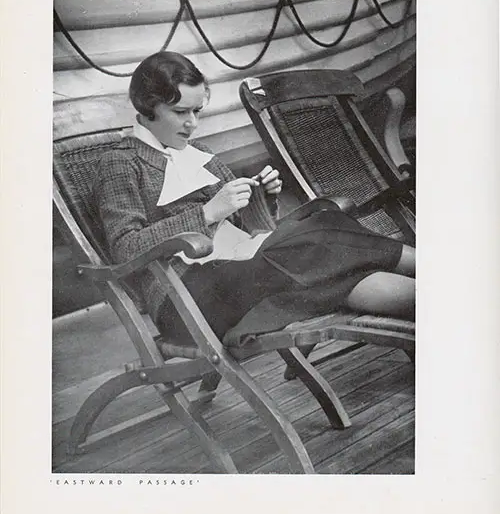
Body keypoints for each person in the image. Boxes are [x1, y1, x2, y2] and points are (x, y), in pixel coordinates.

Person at [94, 51, 415, 347]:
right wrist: (206, 213)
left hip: (241, 268)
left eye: (197, 111)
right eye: (180, 112)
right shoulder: (121, 162)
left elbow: (254, 227)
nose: (192, 123)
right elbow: (124, 249)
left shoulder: (200, 153)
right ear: (147, 107)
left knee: (324, 225)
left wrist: (260, 197)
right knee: (313, 248)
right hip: (185, 298)